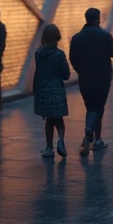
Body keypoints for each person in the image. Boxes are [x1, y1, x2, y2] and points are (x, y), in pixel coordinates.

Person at [69, 7, 113, 155]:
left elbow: (72, 58)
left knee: (91, 107)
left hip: (85, 78)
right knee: (98, 107)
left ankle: (94, 139)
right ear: (98, 19)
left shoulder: (77, 38)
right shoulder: (104, 36)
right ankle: (91, 134)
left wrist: (81, 70)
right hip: (103, 77)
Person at [32, 23, 71, 159]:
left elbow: (38, 73)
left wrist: (35, 90)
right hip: (56, 88)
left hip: (42, 88)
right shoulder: (59, 54)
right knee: (58, 120)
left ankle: (49, 148)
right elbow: (66, 75)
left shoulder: (38, 53)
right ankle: (60, 139)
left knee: (49, 120)